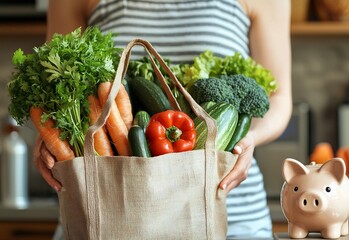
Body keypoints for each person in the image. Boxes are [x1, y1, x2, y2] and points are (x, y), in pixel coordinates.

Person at [34, 0, 292, 238]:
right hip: (106, 216)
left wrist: (246, 139)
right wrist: (48, 136)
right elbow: (55, 85)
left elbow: (279, 98)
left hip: (230, 213)